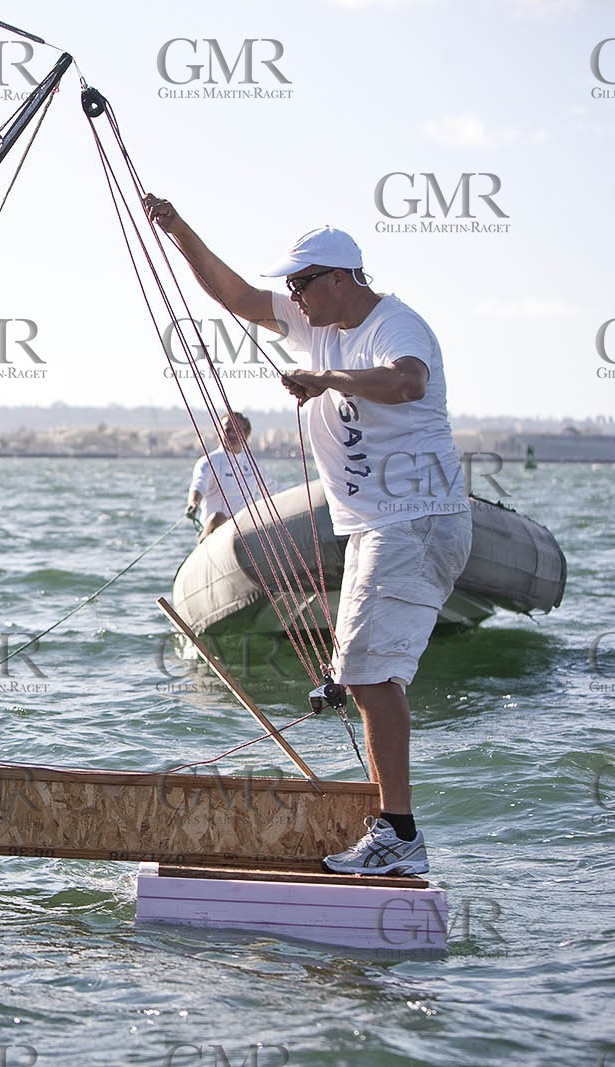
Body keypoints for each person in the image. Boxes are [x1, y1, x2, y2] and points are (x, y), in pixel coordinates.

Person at [144, 197, 471, 877]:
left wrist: (324, 378)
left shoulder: (394, 324)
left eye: (301, 283)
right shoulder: (312, 320)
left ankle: (399, 835)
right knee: (357, 671)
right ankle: (391, 826)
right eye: (290, 285)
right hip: (374, 526)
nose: (291, 296)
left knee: (370, 673)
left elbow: (409, 381)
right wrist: (179, 230)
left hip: (416, 520)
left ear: (341, 278)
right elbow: (235, 295)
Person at [186, 411, 267, 539]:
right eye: (228, 429)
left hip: (245, 532)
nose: (233, 433)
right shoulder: (209, 461)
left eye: (238, 429)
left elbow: (273, 489)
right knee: (217, 517)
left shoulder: (253, 465)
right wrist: (194, 503)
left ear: (246, 434)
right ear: (219, 433)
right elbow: (199, 484)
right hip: (216, 532)